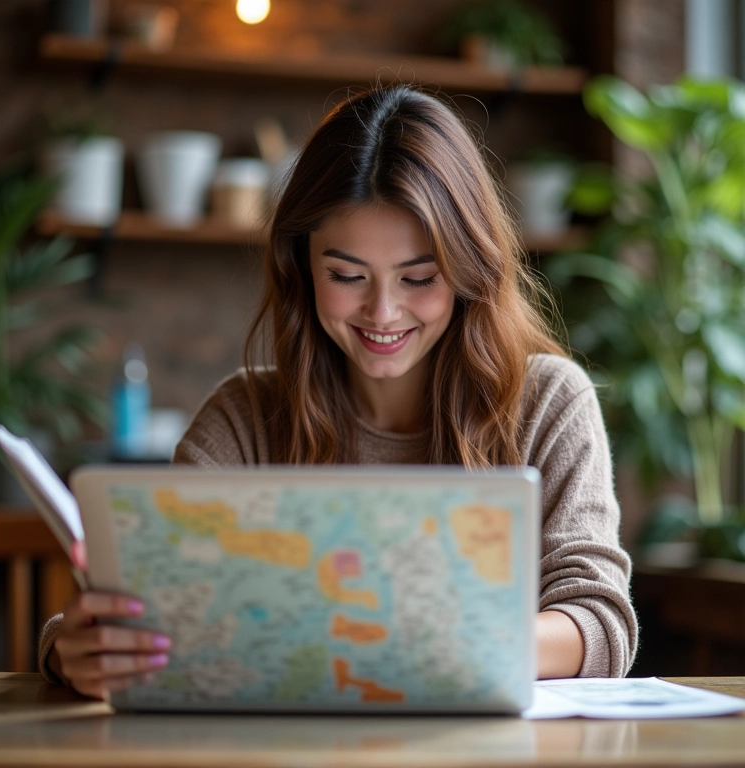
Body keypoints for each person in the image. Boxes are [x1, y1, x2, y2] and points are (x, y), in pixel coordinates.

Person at [39, 85, 638, 699]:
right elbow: (141, 606)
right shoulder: (245, 419)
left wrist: (410, 644)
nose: (383, 311)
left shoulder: (546, 403)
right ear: (302, 268)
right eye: (347, 276)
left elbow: (597, 621)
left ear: (469, 271)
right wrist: (71, 650)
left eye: (420, 277)